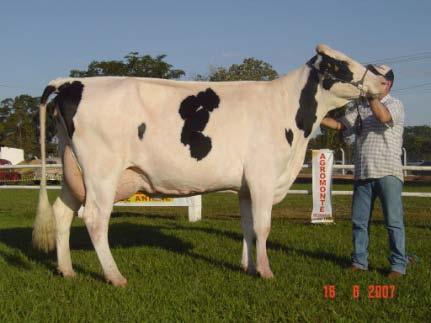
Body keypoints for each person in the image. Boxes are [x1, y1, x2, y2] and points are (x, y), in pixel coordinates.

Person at [321, 64, 407, 278]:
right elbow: (341, 125)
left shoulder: (395, 104)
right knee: (359, 222)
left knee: (393, 222)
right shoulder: (359, 107)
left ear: (388, 84)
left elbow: (383, 117)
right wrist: (314, 115)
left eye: (379, 79)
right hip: (362, 173)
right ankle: (359, 262)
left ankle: (398, 266)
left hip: (388, 172)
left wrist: (371, 96)